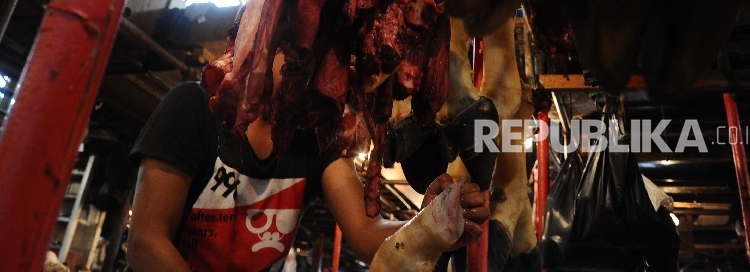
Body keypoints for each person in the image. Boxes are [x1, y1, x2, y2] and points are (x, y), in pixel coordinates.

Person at [127, 81, 488, 272]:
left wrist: (430, 226)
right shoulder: (195, 106)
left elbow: (365, 234)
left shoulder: (313, 139)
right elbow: (146, 243)